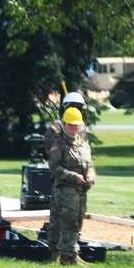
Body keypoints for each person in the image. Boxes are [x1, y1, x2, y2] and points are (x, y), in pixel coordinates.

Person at [47, 107, 96, 265]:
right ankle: (67, 257)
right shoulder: (58, 144)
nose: (74, 128)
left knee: (78, 221)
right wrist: (72, 176)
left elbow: (90, 165)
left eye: (77, 125)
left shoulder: (84, 145)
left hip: (81, 190)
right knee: (69, 222)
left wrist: (91, 176)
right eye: (70, 125)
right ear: (64, 125)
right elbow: (54, 167)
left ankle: (72, 253)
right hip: (65, 189)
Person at [43, 91, 87, 258]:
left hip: (79, 180)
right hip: (61, 177)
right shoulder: (56, 128)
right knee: (58, 214)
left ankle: (70, 248)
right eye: (75, 107)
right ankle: (55, 251)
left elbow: (84, 148)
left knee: (75, 216)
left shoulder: (81, 127)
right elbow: (51, 150)